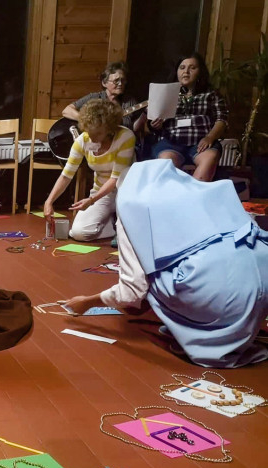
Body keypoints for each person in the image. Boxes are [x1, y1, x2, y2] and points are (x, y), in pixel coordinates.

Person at [63, 159, 267, 368]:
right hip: (262, 276)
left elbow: (132, 291)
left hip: (220, 292)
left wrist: (87, 302)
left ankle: (203, 335)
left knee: (151, 275)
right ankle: (215, 326)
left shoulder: (132, 206)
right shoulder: (199, 191)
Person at [44, 99, 135, 241]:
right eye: (89, 132)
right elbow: (66, 175)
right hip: (100, 193)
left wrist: (91, 200)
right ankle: (110, 225)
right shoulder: (82, 141)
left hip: (125, 193)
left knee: (129, 236)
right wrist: (49, 202)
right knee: (78, 233)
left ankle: (118, 222)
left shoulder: (125, 137)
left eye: (97, 133)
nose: (92, 137)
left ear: (109, 129)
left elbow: (115, 179)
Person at [149, 53, 228, 182]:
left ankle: (195, 193)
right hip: (171, 142)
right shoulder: (166, 94)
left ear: (200, 71)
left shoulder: (211, 94)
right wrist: (156, 125)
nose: (186, 72)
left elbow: (222, 120)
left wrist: (210, 137)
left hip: (201, 142)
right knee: (166, 162)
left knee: (210, 157)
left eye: (192, 68)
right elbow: (154, 123)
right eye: (182, 68)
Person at [62, 61, 145, 135]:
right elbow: (67, 111)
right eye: (116, 81)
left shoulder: (129, 102)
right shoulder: (95, 97)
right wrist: (89, 121)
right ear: (104, 83)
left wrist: (145, 113)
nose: (120, 84)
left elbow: (134, 128)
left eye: (123, 80)